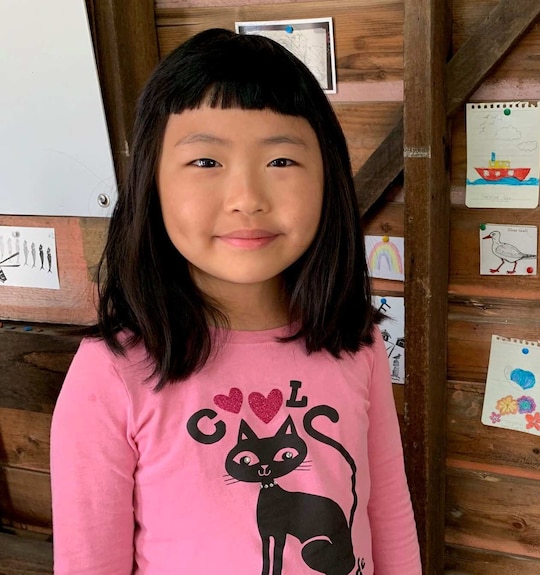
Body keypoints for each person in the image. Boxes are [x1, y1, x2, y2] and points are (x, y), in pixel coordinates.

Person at [50, 28, 421, 575]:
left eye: (281, 161)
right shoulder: (112, 370)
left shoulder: (356, 341)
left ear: (329, 179)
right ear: (151, 182)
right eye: (206, 162)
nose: (247, 198)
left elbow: (387, 513)